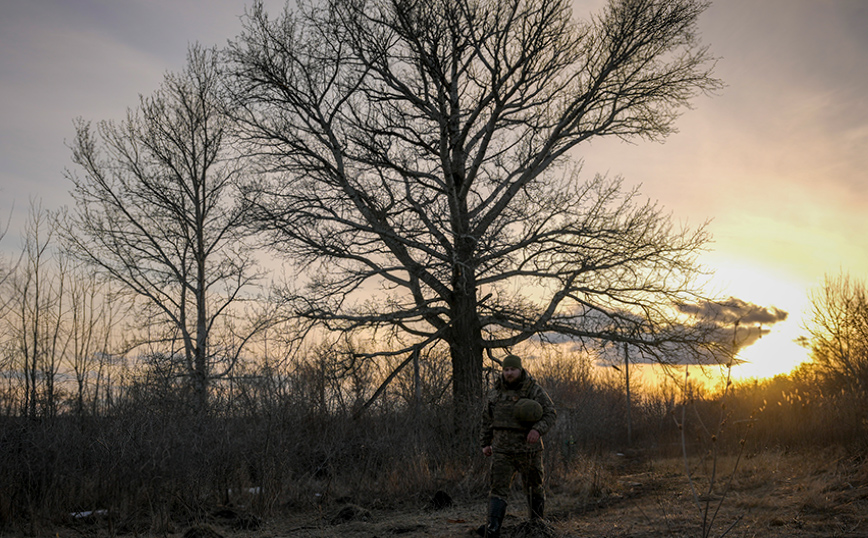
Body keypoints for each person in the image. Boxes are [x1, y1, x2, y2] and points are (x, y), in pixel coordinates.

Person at [479, 354, 557, 538]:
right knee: (498, 489)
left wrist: (538, 430)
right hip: (502, 451)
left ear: (520, 370)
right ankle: (493, 529)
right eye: (506, 370)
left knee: (534, 487)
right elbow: (486, 419)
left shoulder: (533, 390)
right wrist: (485, 443)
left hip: (528, 451)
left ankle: (537, 526)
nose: (509, 373)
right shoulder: (495, 393)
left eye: (512, 369)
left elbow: (550, 413)